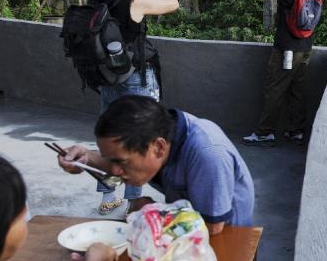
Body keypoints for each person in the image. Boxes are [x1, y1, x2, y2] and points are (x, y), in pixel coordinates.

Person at [57, 96, 255, 232]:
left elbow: (213, 228)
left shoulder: (208, 155)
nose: (116, 171)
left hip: (225, 242)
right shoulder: (162, 134)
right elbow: (122, 166)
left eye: (121, 162)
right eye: (112, 159)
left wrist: (155, 212)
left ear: (159, 148)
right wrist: (87, 158)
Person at [89, 0, 180, 214]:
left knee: (110, 134)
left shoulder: (96, 0)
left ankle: (107, 197)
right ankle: (132, 203)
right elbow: (172, 4)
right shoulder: (134, 1)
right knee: (138, 139)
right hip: (136, 78)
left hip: (108, 78)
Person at [243, 0, 320, 147]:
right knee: (297, 89)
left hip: (287, 48)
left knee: (275, 88)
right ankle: (296, 132)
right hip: (306, 47)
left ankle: (264, 133)